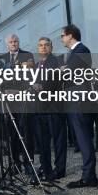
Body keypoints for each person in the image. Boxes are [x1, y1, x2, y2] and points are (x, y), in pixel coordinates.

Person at [60, 24, 98, 188]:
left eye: (63, 35)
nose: (62, 39)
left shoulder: (82, 50)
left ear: (70, 36)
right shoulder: (74, 53)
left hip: (79, 99)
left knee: (83, 137)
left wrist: (62, 69)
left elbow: (71, 72)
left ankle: (89, 176)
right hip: (74, 98)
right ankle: (89, 175)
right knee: (81, 137)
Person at [0, 34, 36, 177]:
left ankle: (28, 164)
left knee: (26, 133)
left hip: (23, 99)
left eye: (16, 41)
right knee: (11, 134)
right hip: (9, 102)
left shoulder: (27, 56)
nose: (13, 43)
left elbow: (30, 76)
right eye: (11, 42)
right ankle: (15, 164)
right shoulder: (2, 59)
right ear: (7, 44)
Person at [32, 37, 66, 181]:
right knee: (43, 142)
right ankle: (46, 169)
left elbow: (56, 79)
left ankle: (60, 169)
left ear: (51, 47)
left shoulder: (57, 61)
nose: (43, 48)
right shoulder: (35, 66)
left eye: (46, 45)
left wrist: (41, 87)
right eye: (40, 45)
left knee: (58, 141)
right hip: (40, 108)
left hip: (54, 107)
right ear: (38, 48)